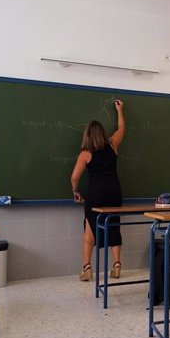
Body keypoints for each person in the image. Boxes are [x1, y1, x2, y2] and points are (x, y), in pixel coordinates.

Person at [70, 100, 125, 282]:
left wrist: (75, 190)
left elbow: (75, 177)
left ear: (87, 135)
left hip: (95, 194)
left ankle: (87, 268)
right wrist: (119, 110)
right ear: (102, 133)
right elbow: (121, 129)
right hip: (114, 192)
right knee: (113, 226)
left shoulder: (85, 153)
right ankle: (117, 265)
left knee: (90, 230)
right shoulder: (112, 145)